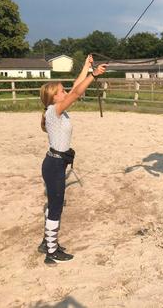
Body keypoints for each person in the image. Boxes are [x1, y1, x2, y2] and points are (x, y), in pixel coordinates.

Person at [38, 55, 107, 264]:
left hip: (56, 163)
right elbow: (77, 92)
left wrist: (86, 67)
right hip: (54, 165)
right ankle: (51, 252)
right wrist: (94, 75)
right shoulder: (54, 111)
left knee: (53, 204)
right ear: (54, 98)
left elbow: (77, 87)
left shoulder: (58, 109)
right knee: (56, 207)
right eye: (61, 91)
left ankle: (46, 243)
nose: (65, 92)